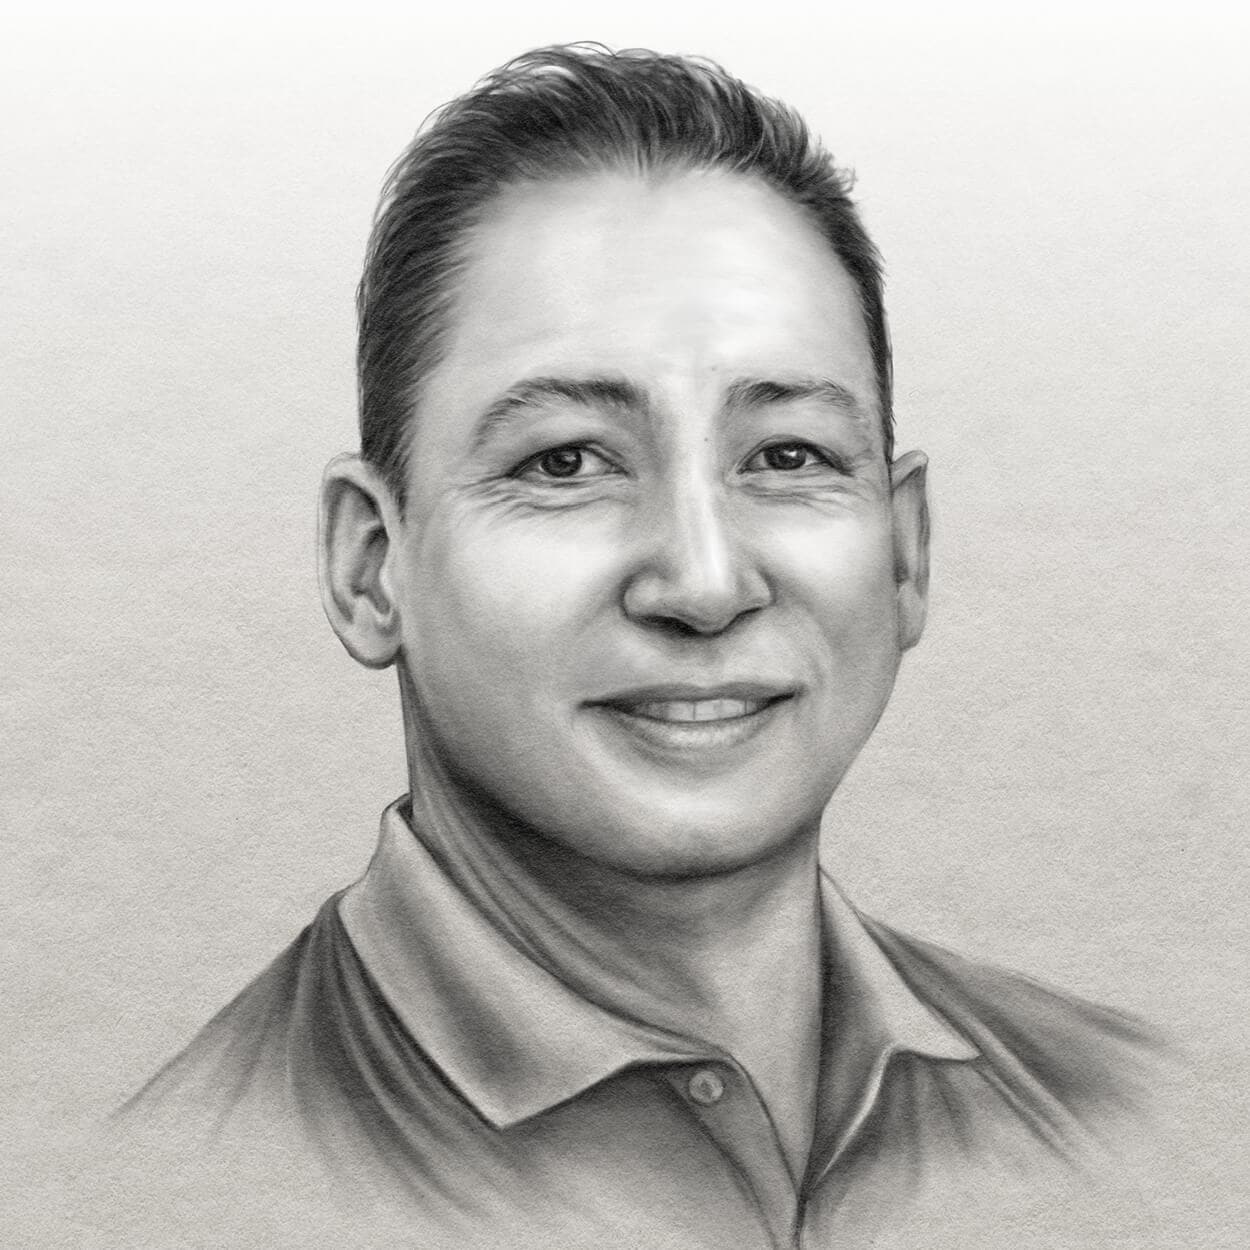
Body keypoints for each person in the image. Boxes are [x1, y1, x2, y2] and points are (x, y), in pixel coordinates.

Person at [109, 44, 1164, 1250]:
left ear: (904, 552)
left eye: (786, 455)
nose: (703, 583)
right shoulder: (189, 1179)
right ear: (370, 566)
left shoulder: (1123, 1114)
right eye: (564, 462)